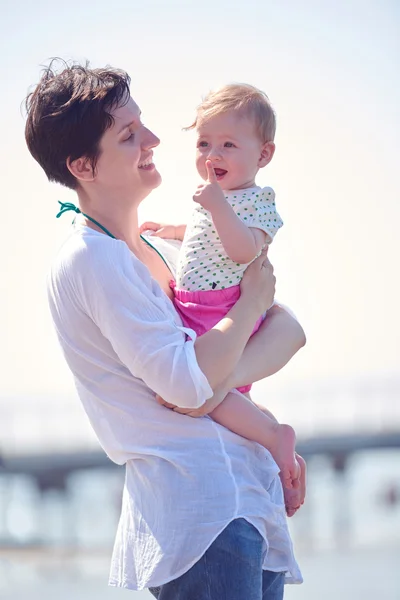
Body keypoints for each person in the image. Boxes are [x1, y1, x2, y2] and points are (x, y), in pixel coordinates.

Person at [25, 60, 306, 599]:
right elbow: (184, 384)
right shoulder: (90, 260)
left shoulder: (172, 249)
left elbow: (288, 327)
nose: (154, 139)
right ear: (83, 165)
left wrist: (223, 383)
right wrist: (246, 312)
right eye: (129, 135)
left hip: (249, 497)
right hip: (200, 515)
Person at [140, 83, 301, 492]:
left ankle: (273, 436)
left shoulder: (256, 201)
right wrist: (173, 230)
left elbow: (243, 248)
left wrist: (216, 205)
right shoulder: (217, 200)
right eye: (204, 143)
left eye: (229, 144)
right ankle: (268, 432)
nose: (213, 155)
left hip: (221, 307)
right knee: (226, 396)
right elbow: (202, 233)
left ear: (263, 154)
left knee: (209, 392)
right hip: (199, 306)